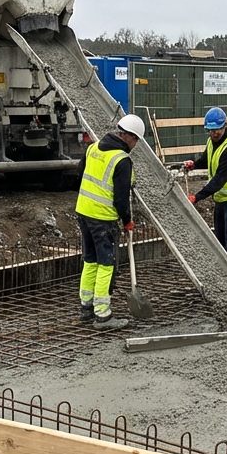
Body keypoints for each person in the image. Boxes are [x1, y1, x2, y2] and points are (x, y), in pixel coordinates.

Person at [75, 114, 146, 331]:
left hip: (83, 212)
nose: (135, 146)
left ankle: (86, 308)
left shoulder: (94, 147)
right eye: (136, 141)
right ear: (129, 137)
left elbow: (80, 173)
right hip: (102, 218)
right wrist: (127, 220)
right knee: (106, 264)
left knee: (90, 260)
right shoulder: (121, 160)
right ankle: (102, 315)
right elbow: (121, 198)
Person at [184, 107, 227, 273]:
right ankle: (224, 278)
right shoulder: (212, 142)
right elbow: (207, 159)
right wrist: (194, 164)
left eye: (217, 130)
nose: (214, 134)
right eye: (211, 130)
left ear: (225, 126)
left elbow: (219, 180)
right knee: (220, 241)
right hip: (222, 200)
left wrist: (197, 197)